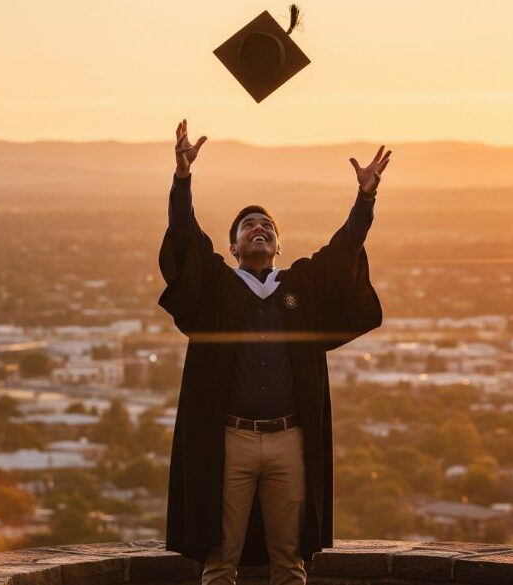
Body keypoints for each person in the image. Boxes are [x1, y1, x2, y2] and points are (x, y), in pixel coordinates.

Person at [158, 119, 389, 585]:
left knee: (290, 561)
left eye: (266, 226)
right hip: (230, 440)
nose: (258, 228)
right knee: (220, 561)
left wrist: (365, 199)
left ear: (278, 244)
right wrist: (182, 179)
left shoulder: (299, 285)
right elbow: (185, 237)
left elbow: (345, 250)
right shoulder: (219, 286)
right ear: (233, 246)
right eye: (248, 226)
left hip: (290, 440)